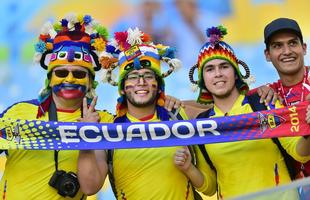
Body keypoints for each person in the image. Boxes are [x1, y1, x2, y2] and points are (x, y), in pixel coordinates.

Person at [174, 25, 310, 199]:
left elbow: (300, 153)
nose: (218, 74)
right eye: (210, 69)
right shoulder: (202, 124)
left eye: (224, 66)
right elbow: (209, 187)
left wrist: (308, 132)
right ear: (202, 79)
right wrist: (188, 168)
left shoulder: (265, 103)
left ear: (236, 73)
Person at [78, 27, 200, 200]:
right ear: (122, 87)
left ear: (158, 84)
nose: (141, 82)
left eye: (149, 76)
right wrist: (85, 138)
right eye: (133, 76)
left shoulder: (177, 115)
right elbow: (90, 187)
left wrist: (174, 101)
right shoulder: (109, 132)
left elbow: (217, 105)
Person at [0, 14, 114, 199]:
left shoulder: (104, 121)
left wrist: (87, 136)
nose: (69, 79)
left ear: (90, 82)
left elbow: (91, 187)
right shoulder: (18, 112)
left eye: (78, 74)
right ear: (50, 80)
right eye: (61, 72)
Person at [257, 17, 310, 178]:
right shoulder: (266, 95)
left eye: (292, 43)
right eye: (277, 46)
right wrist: (177, 103)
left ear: (304, 48)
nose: (287, 51)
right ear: (267, 54)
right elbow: (219, 105)